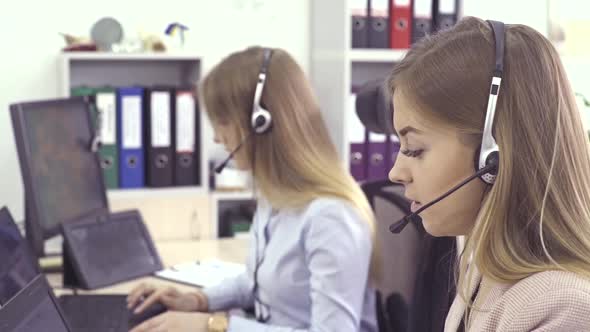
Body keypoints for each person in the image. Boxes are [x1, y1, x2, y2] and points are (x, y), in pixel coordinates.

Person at [127, 46, 379, 332]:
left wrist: (214, 326)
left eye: (222, 122)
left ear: (261, 123)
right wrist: (197, 300)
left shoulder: (330, 216)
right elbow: (254, 282)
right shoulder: (276, 197)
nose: (216, 137)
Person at [387, 16, 590, 331]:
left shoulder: (563, 308)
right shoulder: (481, 274)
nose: (395, 173)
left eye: (414, 149)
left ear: (492, 157)